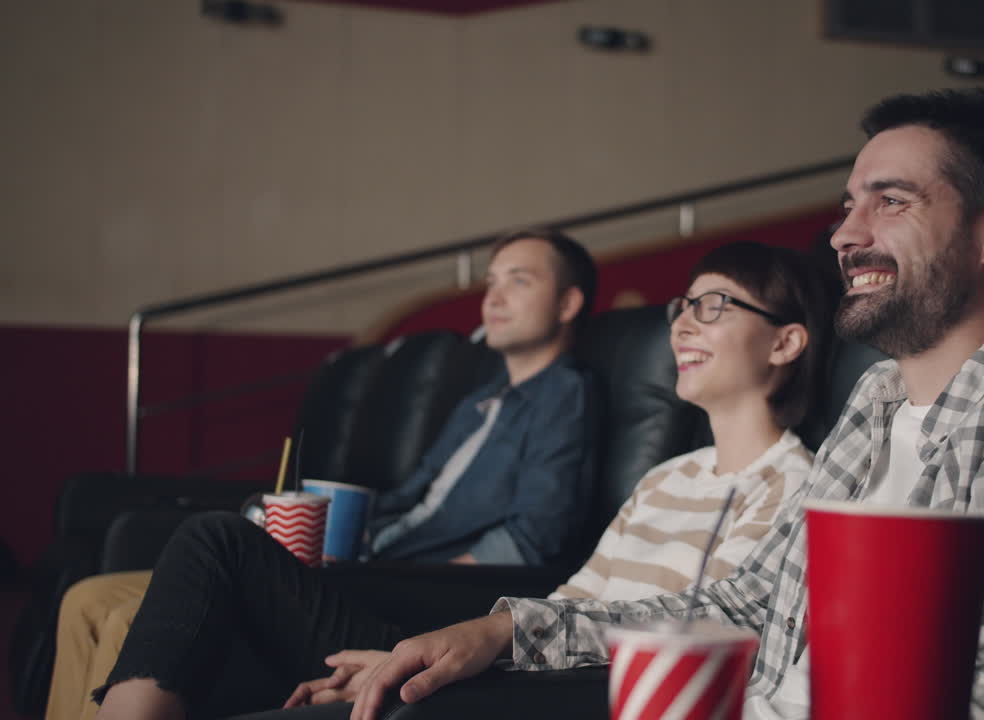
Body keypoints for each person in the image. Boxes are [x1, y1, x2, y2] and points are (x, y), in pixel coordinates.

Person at [336, 88, 984, 720]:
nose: (845, 234)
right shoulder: (874, 402)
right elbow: (753, 602)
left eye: (891, 200)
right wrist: (507, 632)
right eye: (848, 205)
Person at [86, 241, 836, 718]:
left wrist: (482, 644)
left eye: (713, 306)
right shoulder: (666, 477)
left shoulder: (794, 486)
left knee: (216, 543)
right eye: (682, 307)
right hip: (508, 659)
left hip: (556, 689)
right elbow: (571, 598)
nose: (682, 324)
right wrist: (434, 648)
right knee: (210, 551)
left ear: (786, 342)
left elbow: (711, 637)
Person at [47, 227, 600, 720]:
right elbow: (414, 498)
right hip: (371, 561)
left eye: (519, 281)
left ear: (568, 302)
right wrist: (339, 530)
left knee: (156, 590)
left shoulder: (564, 394)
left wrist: (401, 569)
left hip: (415, 589)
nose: (493, 298)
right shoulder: (481, 401)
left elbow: (532, 537)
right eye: (491, 282)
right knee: (90, 601)